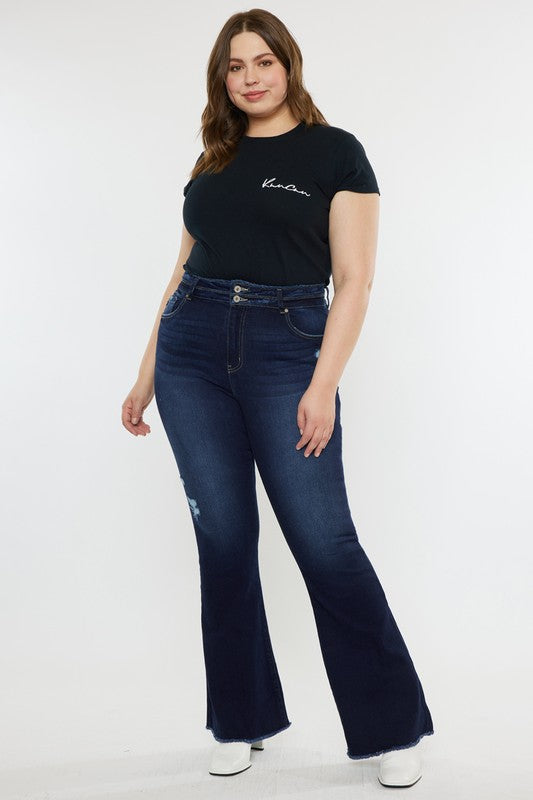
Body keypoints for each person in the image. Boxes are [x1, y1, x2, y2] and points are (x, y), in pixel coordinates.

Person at [121, 8, 434, 788]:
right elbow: (181, 271)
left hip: (285, 349)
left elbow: (355, 280)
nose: (250, 76)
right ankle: (241, 719)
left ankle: (390, 729)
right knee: (222, 541)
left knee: (325, 544)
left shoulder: (335, 154)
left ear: (288, 65)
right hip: (190, 348)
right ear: (220, 78)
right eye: (235, 66)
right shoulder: (213, 156)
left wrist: (321, 383)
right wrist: (147, 370)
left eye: (263, 61)